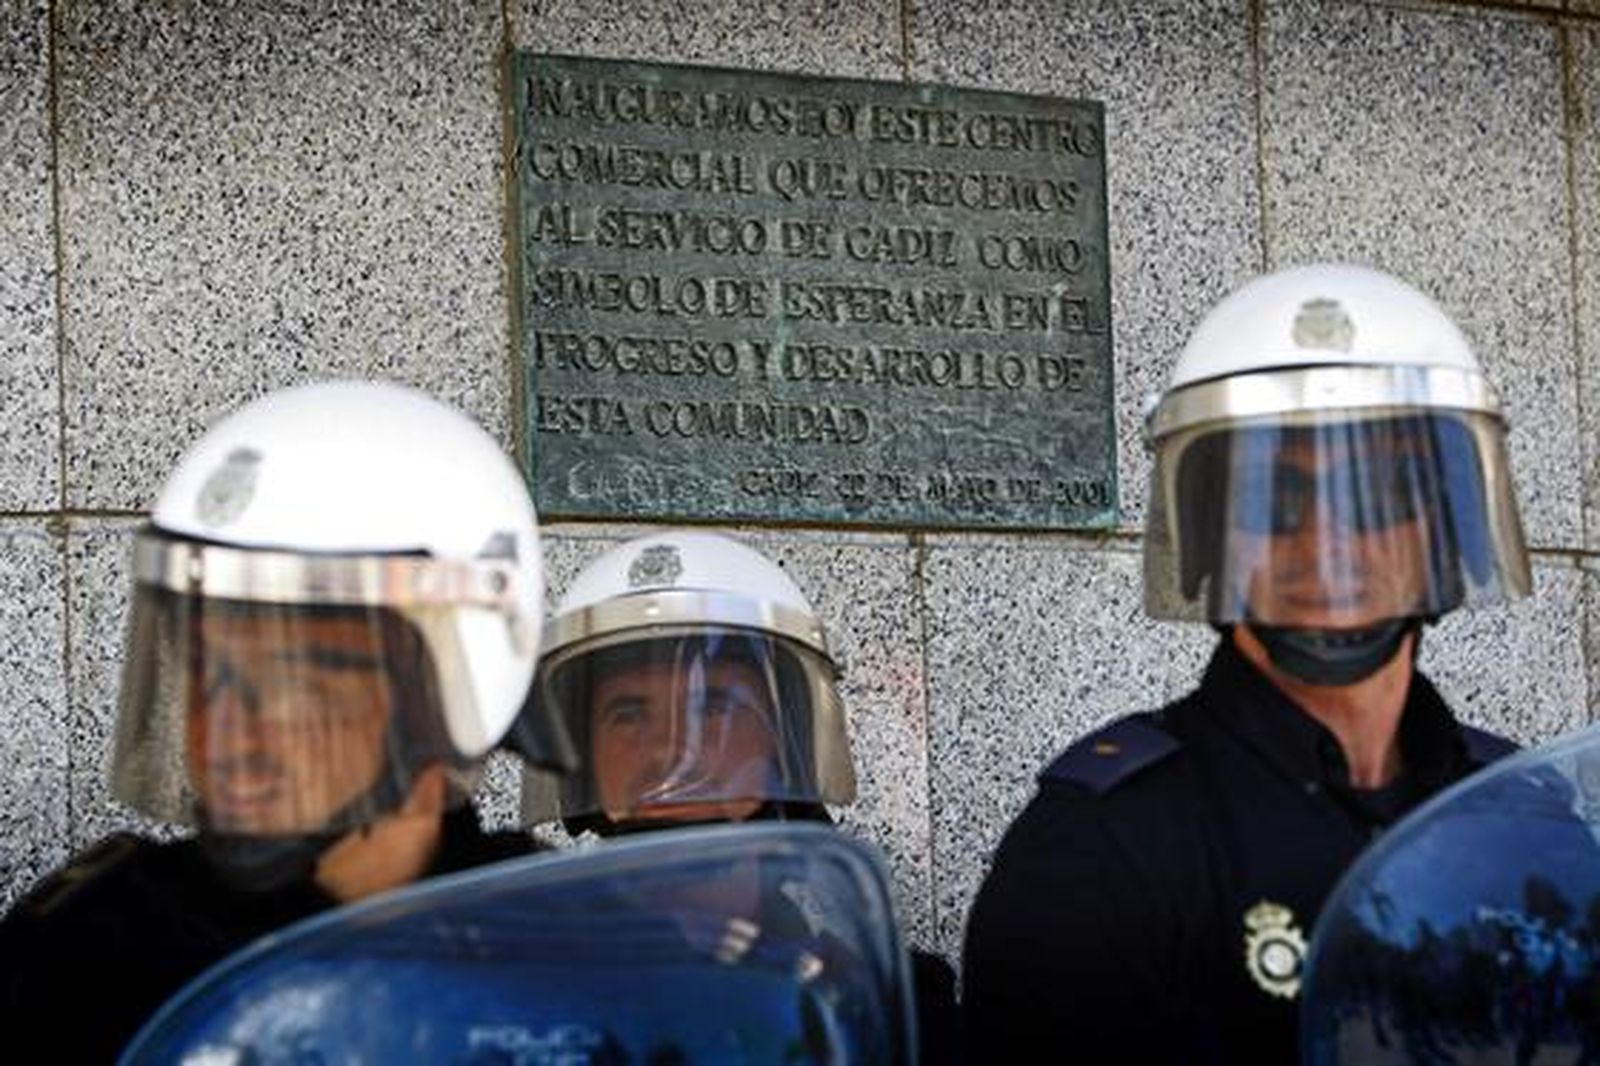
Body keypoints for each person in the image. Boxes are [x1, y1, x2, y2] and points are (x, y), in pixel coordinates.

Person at [961, 263, 1533, 1064]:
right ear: (1207, 538)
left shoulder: (1521, 813)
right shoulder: (1100, 847)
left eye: (1375, 495)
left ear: (1442, 533)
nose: (1326, 546)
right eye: (1273, 498)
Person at [0, 380, 574, 1061]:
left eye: (290, 685)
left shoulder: (565, 951)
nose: (228, 736)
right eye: (206, 679)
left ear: (452, 688)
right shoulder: (91, 957)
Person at [521, 529, 962, 1063]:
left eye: (712, 707)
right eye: (628, 713)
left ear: (786, 741)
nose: (669, 750)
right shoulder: (520, 1008)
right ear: (582, 756)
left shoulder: (880, 1013)